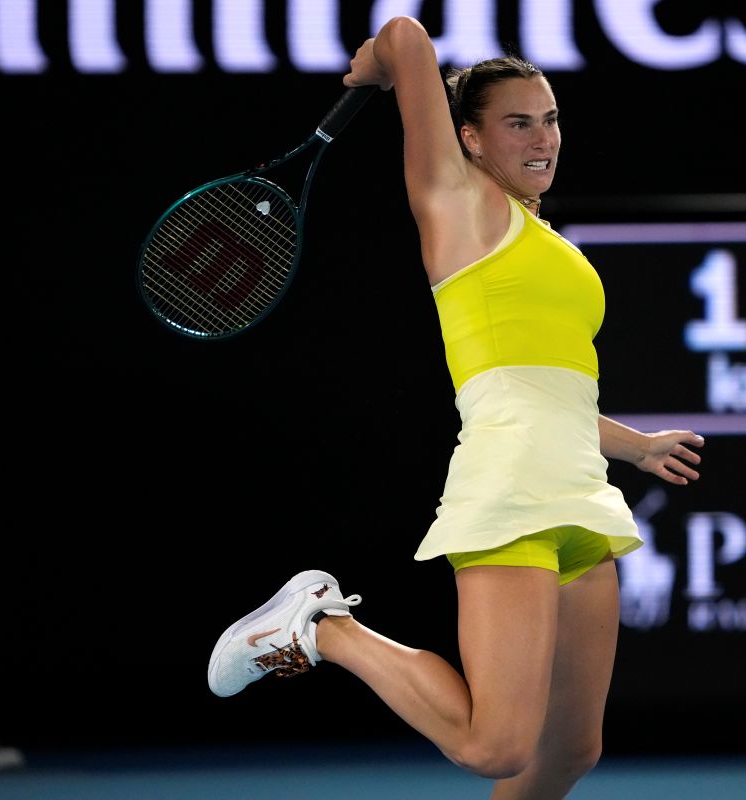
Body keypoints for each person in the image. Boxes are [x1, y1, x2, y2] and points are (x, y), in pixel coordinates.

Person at [206, 14, 705, 799]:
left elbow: (544, 391)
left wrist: (635, 447)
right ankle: (323, 628)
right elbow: (406, 36)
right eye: (517, 123)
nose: (543, 138)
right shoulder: (457, 203)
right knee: (496, 748)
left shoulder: (550, 241)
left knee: (569, 751)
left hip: (579, 491)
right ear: (469, 140)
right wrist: (377, 67)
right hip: (509, 492)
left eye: (549, 119)